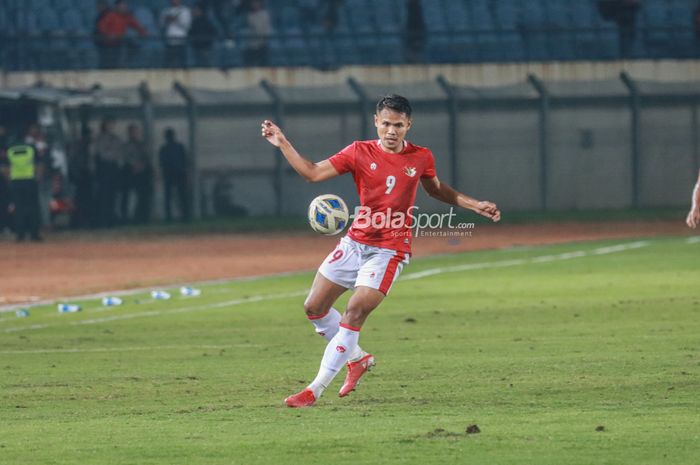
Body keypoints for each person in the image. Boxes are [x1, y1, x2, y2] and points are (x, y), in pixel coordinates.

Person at [261, 94, 501, 408]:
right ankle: (357, 358)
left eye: (398, 125)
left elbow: (437, 189)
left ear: (408, 125)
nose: (391, 130)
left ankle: (314, 390)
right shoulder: (358, 152)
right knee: (314, 307)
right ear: (376, 121)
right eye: (386, 123)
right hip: (355, 242)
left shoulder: (421, 157)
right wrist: (283, 143)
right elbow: (312, 173)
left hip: (389, 249)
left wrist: (475, 205)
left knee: (355, 311)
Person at [2, 140, 44, 242]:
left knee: (19, 209)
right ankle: (34, 234)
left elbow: (4, 167)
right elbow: (39, 164)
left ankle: (20, 235)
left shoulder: (10, 149)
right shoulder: (31, 148)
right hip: (30, 180)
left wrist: (9, 180)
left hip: (16, 181)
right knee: (33, 208)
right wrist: (38, 177)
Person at [97, 0, 147, 68]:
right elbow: (102, 26)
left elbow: (136, 25)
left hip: (119, 41)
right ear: (117, 7)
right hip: (108, 43)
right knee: (109, 61)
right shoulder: (111, 15)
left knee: (132, 45)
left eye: (125, 5)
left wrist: (143, 33)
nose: (125, 7)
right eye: (122, 5)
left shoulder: (127, 17)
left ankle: (125, 64)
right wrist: (108, 35)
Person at [94, 117, 124, 227]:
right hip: (104, 168)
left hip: (114, 168)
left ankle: (112, 218)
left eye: (112, 124)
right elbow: (102, 153)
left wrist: (112, 153)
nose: (111, 126)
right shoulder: (100, 139)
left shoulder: (116, 138)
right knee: (104, 195)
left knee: (113, 195)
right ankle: (103, 219)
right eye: (109, 124)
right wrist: (112, 153)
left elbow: (120, 152)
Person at [123, 124, 153, 224]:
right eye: (133, 132)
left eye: (136, 132)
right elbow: (126, 157)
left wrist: (143, 165)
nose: (135, 134)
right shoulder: (127, 145)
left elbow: (148, 157)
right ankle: (131, 218)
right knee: (131, 197)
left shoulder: (143, 144)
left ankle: (143, 217)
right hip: (131, 173)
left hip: (143, 174)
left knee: (144, 196)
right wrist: (134, 165)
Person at [159, 128, 190, 222]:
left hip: (169, 174)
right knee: (182, 196)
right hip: (179, 173)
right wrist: (186, 174)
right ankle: (185, 217)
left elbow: (161, 164)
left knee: (168, 197)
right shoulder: (180, 147)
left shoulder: (163, 149)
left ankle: (169, 217)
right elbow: (185, 161)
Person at [160, 0, 192, 68]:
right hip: (169, 41)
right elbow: (161, 25)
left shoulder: (185, 11)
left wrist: (176, 19)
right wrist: (167, 20)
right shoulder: (166, 11)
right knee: (168, 63)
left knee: (182, 63)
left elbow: (187, 25)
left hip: (181, 40)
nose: (174, 1)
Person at [243, 0, 272, 66]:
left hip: (262, 44)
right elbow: (249, 30)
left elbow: (267, 30)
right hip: (251, 45)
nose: (255, 4)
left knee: (264, 58)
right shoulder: (249, 15)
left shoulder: (265, 15)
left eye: (257, 2)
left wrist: (263, 39)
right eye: (253, 3)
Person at [189, 2, 218, 67]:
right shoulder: (194, 21)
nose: (194, 11)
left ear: (200, 11)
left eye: (196, 10)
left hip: (206, 47)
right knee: (198, 66)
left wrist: (207, 41)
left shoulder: (207, 20)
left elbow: (214, 31)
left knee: (207, 65)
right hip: (196, 47)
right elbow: (190, 32)